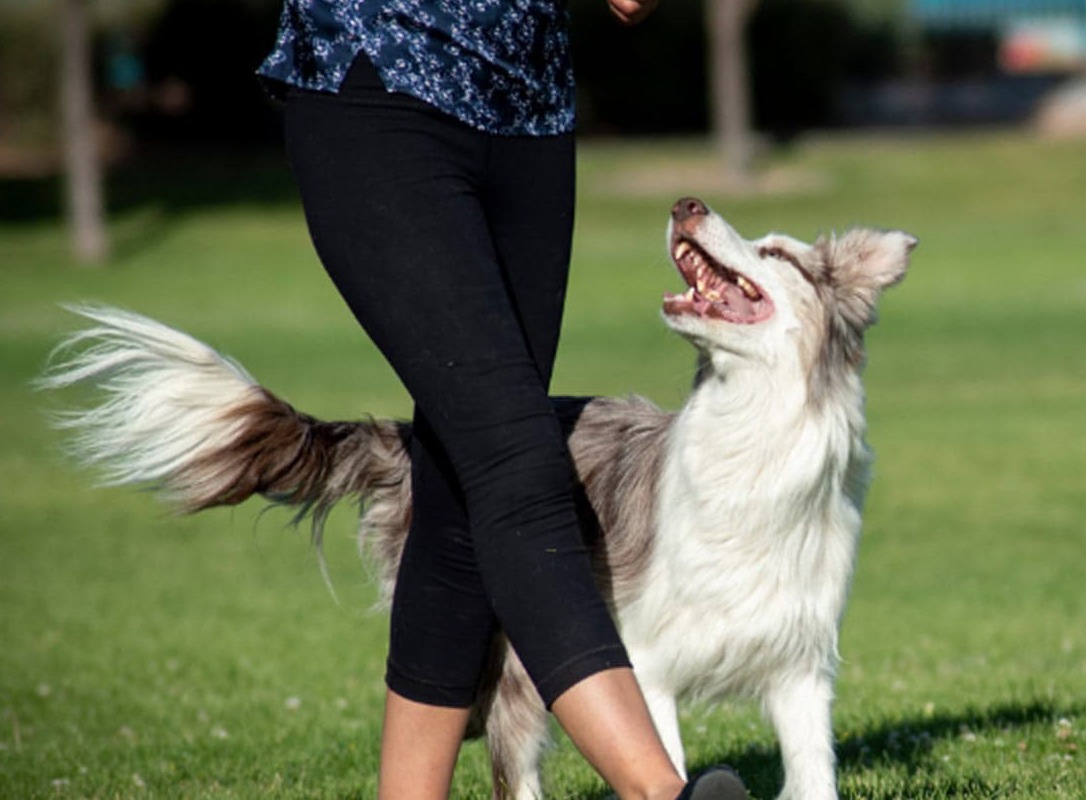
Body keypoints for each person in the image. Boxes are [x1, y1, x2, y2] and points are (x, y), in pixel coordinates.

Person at [257, 2, 750, 799]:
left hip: (529, 113)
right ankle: (660, 791)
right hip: (381, 82)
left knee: (460, 487)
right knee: (519, 463)